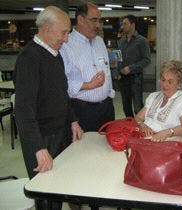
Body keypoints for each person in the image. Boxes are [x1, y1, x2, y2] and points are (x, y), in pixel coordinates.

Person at [14, 6, 83, 210]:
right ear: (46, 28)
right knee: (45, 197)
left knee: (58, 190)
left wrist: (72, 120)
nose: (66, 39)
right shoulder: (29, 58)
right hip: (41, 138)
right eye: (63, 33)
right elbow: (23, 111)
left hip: (59, 133)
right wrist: (38, 148)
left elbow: (62, 93)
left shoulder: (55, 54)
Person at [60, 2, 115, 132]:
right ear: (80, 19)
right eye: (93, 20)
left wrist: (110, 94)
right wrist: (88, 85)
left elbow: (106, 71)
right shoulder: (66, 45)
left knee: (106, 149)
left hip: (106, 109)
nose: (98, 25)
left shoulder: (100, 42)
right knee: (85, 150)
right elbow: (61, 83)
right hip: (82, 111)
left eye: (99, 21)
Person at [135, 60, 182, 142]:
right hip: (144, 139)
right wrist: (143, 125)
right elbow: (138, 117)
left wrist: (166, 133)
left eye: (170, 82)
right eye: (163, 80)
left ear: (179, 84)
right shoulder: (153, 96)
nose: (165, 85)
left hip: (166, 143)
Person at [117, 15, 151, 117]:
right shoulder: (121, 41)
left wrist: (130, 68)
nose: (123, 26)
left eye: (125, 24)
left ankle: (140, 130)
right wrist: (117, 71)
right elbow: (119, 59)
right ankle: (130, 129)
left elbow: (146, 60)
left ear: (132, 25)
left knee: (138, 108)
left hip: (136, 79)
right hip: (123, 79)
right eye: (122, 24)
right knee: (126, 107)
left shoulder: (142, 41)